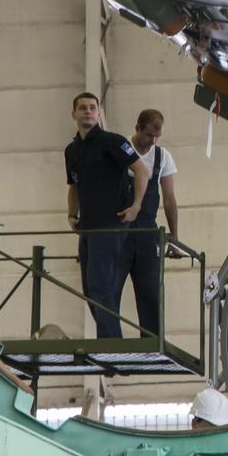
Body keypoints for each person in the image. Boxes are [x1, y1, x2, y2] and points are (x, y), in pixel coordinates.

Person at [65, 92, 147, 339]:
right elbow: (73, 186)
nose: (87, 112)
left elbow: (141, 170)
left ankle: (111, 345)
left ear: (99, 113)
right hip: (87, 227)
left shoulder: (113, 141)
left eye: (92, 108)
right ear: (74, 114)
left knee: (101, 286)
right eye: (82, 108)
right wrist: (71, 214)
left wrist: (136, 207)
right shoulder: (71, 150)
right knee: (91, 290)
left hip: (110, 225)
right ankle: (110, 341)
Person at [116, 109, 180, 338]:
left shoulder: (163, 157)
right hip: (119, 231)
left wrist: (175, 238)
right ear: (137, 128)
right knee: (111, 288)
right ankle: (111, 340)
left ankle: (152, 340)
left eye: (157, 136)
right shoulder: (121, 151)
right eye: (149, 135)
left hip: (146, 233)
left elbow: (170, 200)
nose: (152, 141)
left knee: (151, 290)